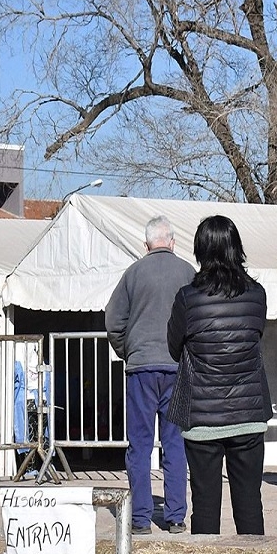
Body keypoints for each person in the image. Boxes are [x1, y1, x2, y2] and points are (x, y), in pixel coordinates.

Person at [167, 215, 272, 535]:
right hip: (248, 413)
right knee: (250, 502)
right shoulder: (257, 294)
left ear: (200, 250)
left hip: (202, 417)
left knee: (205, 503)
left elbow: (174, 347)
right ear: (236, 248)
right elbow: (256, 336)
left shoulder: (188, 297)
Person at [105, 215, 194, 535]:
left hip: (141, 368)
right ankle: (175, 516)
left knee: (139, 445)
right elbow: (198, 320)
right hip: (176, 368)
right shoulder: (187, 272)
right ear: (171, 241)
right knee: (175, 444)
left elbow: (113, 320)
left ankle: (141, 519)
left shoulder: (133, 273)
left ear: (146, 245)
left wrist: (128, 351)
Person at [14, 341, 51, 477]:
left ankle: (33, 468)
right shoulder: (40, 363)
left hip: (30, 399)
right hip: (37, 399)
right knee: (38, 435)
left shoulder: (19, 363)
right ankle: (43, 466)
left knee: (31, 435)